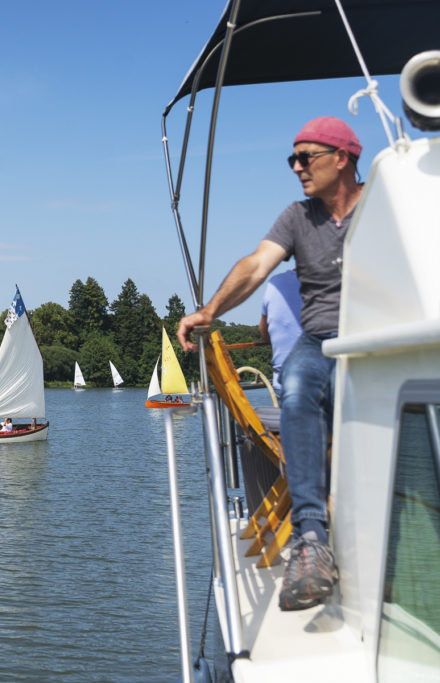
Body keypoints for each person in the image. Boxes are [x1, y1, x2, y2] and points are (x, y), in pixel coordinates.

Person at [177, 116, 363, 611]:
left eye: (307, 157)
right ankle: (310, 539)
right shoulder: (297, 217)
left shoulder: (383, 206)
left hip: (378, 334)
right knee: (299, 391)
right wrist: (210, 311)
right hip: (321, 337)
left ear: (342, 158)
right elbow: (257, 264)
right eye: (293, 159)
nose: (297, 167)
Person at [259, 269, 303, 396]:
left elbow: (265, 332)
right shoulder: (340, 279)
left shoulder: (275, 283)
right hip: (329, 380)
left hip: (284, 383)